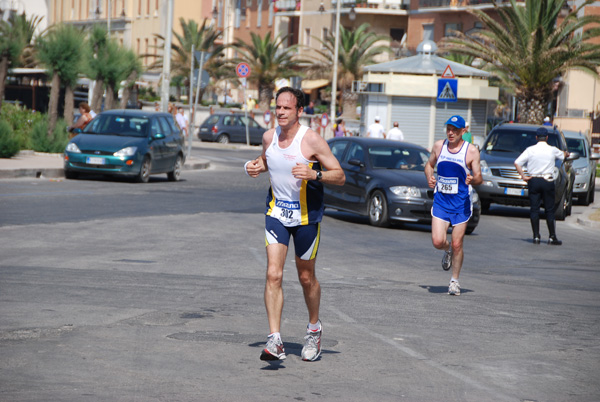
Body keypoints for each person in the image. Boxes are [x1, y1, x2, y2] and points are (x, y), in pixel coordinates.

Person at [244, 86, 345, 362]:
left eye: (286, 108)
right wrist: (252, 167)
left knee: (305, 277)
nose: (280, 112)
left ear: (300, 111)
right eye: (278, 107)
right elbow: (266, 161)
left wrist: (315, 174)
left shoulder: (311, 140)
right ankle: (274, 340)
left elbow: (340, 175)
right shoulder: (269, 136)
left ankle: (314, 329)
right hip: (276, 213)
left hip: (305, 218)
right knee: (273, 274)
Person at [425, 115, 482, 296]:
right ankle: (446, 250)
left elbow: (479, 177)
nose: (451, 133)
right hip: (441, 201)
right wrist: (430, 177)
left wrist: (473, 179)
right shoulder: (438, 146)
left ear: (463, 131)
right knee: (437, 241)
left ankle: (454, 281)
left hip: (461, 204)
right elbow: (428, 165)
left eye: (455, 130)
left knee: (458, 243)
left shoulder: (471, 151)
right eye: (449, 129)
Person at [514, 127, 567, 245]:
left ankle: (536, 236)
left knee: (534, 209)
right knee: (549, 210)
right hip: (547, 180)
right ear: (547, 138)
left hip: (533, 180)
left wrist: (523, 176)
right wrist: (566, 153)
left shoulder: (530, 150)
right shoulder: (552, 150)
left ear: (536, 138)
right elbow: (563, 155)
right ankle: (552, 236)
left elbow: (517, 162)